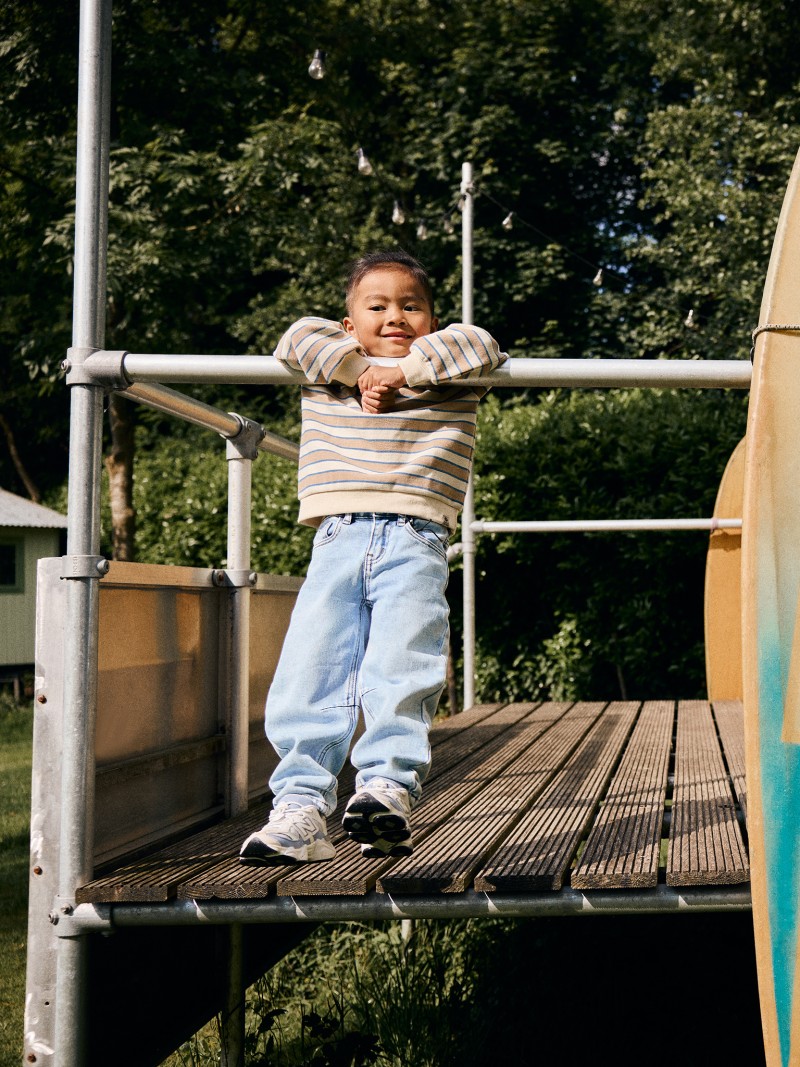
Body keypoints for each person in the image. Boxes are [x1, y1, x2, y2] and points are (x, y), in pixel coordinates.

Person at [239, 249, 507, 865]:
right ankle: (300, 809)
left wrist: (401, 373)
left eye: (412, 306)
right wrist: (362, 369)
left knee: (402, 663)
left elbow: (483, 343)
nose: (395, 316)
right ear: (349, 322)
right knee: (313, 667)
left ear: (432, 320)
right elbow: (295, 336)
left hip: (417, 537)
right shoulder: (329, 366)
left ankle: (386, 788)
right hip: (338, 536)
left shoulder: (450, 367)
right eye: (377, 305)